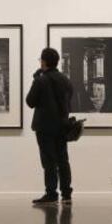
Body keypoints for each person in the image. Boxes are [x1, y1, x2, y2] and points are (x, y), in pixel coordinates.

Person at [26, 48, 74, 205]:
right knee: (63, 160)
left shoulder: (41, 80)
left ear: (44, 62)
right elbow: (68, 101)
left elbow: (30, 101)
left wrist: (36, 79)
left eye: (41, 60)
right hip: (62, 125)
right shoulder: (65, 80)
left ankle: (51, 193)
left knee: (49, 162)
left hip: (45, 127)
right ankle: (66, 194)